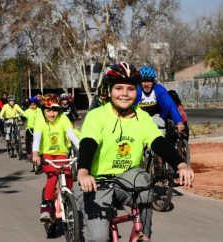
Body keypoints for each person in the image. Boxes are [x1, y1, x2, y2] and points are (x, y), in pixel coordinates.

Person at [76, 62, 194, 242]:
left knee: (144, 181)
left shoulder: (142, 117)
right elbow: (88, 142)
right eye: (119, 88)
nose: (124, 93)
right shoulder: (97, 115)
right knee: (99, 237)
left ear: (136, 91)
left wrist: (181, 164)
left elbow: (158, 142)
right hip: (96, 180)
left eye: (130, 89)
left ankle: (143, 234)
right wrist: (83, 171)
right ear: (109, 91)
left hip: (127, 177)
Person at [32, 93, 79, 223]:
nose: (52, 114)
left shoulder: (63, 118)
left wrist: (82, 150)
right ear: (43, 110)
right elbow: (37, 138)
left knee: (68, 175)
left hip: (61, 153)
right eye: (48, 110)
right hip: (46, 153)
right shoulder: (39, 119)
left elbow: (72, 135)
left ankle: (67, 197)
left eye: (55, 110)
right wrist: (35, 154)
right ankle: (46, 206)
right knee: (53, 175)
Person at [135, 65, 184, 136]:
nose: (146, 84)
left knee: (159, 135)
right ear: (140, 82)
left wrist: (179, 122)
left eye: (149, 81)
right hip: (139, 117)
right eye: (144, 81)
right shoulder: (136, 90)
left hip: (156, 116)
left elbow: (170, 105)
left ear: (153, 82)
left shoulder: (159, 90)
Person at [23, 97, 42, 165]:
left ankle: (41, 153)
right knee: (28, 140)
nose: (32, 106)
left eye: (34, 104)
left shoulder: (40, 111)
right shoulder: (27, 111)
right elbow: (24, 116)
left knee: (41, 141)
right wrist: (23, 119)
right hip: (30, 129)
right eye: (30, 105)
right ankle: (29, 153)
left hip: (39, 129)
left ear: (36, 104)